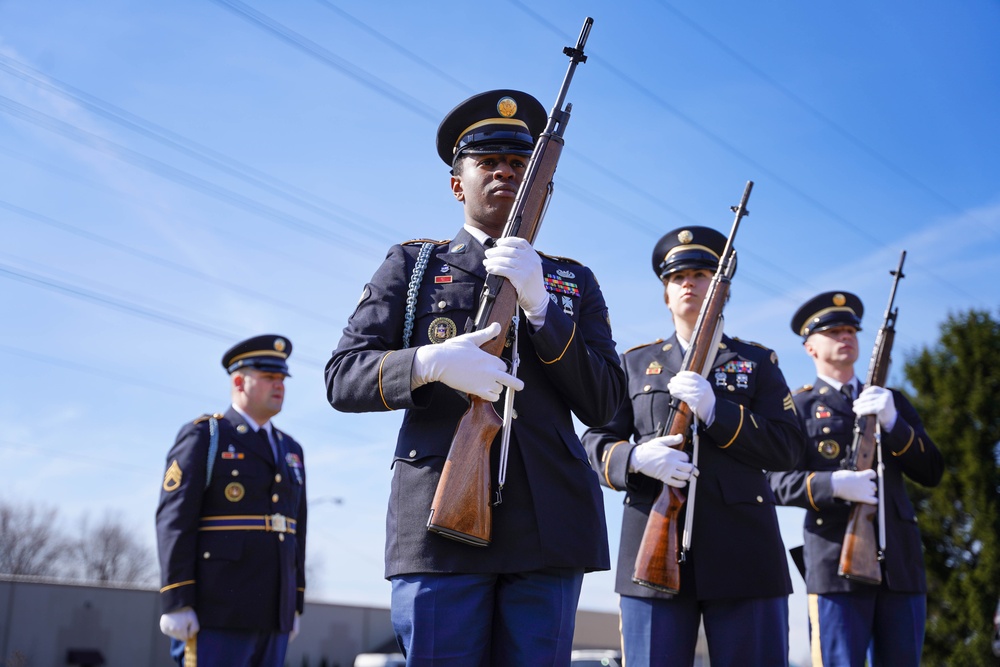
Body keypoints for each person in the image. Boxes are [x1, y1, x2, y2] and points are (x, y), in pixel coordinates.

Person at [325, 89, 625, 666]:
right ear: (457, 184)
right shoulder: (413, 267)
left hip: (546, 527)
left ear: (542, 186)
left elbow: (606, 402)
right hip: (439, 524)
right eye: (488, 162)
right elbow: (343, 377)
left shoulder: (570, 281)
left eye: (518, 164)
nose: (504, 173)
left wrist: (542, 307)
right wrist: (427, 364)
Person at [581, 226, 805, 666]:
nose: (689, 283)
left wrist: (716, 411)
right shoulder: (635, 362)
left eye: (701, 274)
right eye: (678, 277)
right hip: (650, 549)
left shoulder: (757, 363)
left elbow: (788, 447)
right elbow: (595, 441)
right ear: (666, 293)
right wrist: (636, 458)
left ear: (720, 291)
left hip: (743, 553)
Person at [769, 292, 943, 666]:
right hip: (835, 565)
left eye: (850, 330)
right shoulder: (796, 407)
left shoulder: (890, 400)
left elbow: (931, 470)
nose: (846, 337)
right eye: (834, 331)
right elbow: (773, 481)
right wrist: (831, 485)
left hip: (900, 565)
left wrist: (894, 423)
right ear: (810, 347)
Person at [156, 334, 306, 667]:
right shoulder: (205, 436)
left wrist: (295, 603)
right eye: (269, 377)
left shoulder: (291, 449)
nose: (279, 385)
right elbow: (174, 520)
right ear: (238, 381)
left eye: (282, 378)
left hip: (274, 612)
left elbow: (298, 533)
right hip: (217, 609)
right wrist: (177, 599)